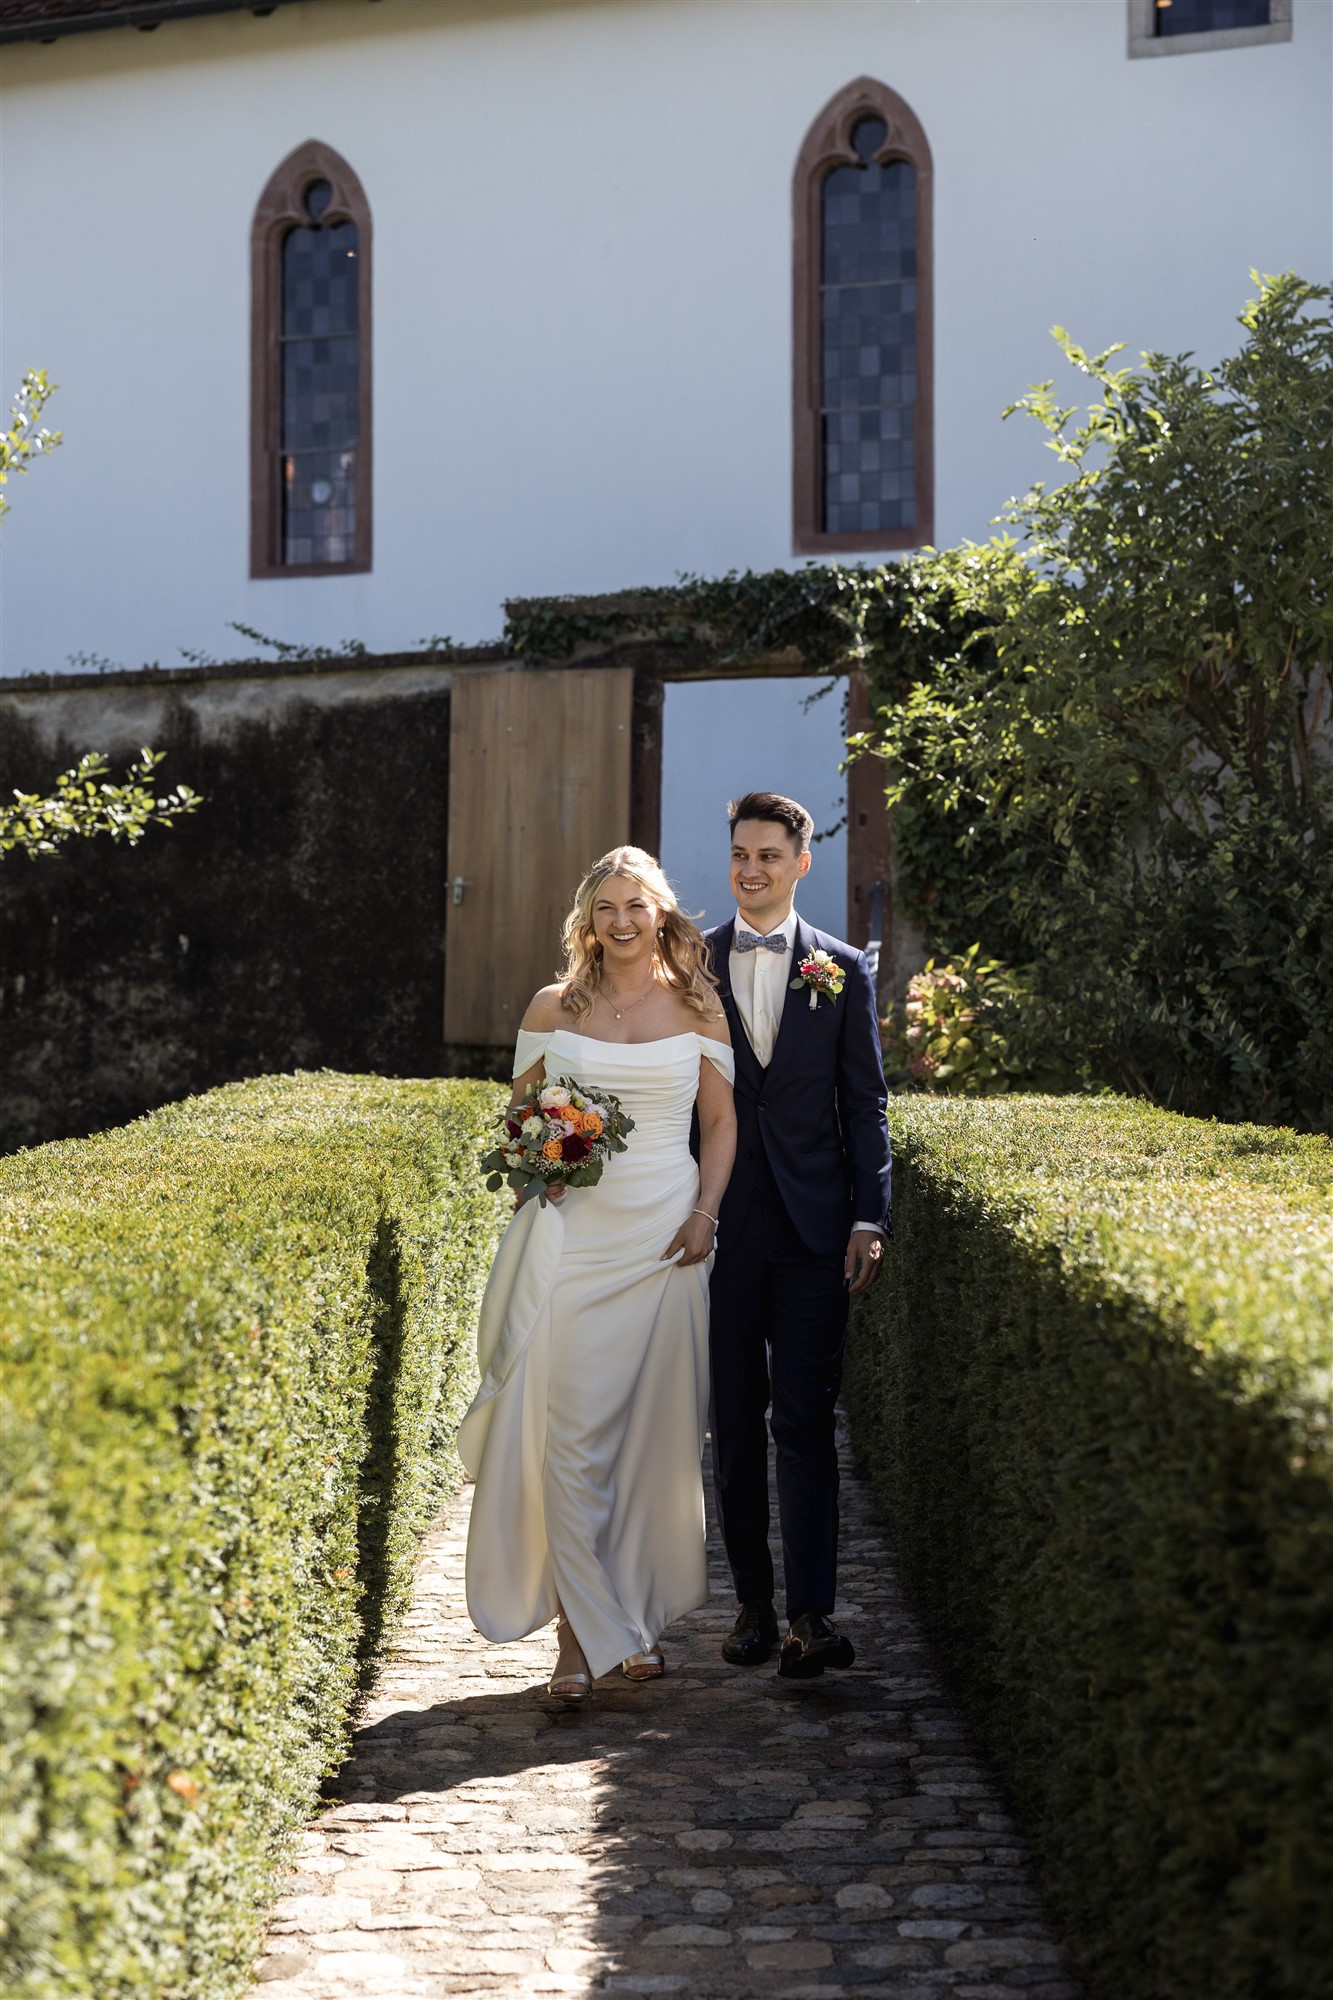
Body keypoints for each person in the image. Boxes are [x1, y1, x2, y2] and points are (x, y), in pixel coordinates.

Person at [458, 846, 736, 1702]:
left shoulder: (697, 1006)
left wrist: (704, 1217)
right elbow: (520, 1117)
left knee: (648, 1440)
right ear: (588, 917)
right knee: (571, 1439)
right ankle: (577, 1646)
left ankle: (634, 1621)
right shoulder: (553, 1005)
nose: (622, 920)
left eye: (637, 905)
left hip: (663, 1240)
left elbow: (721, 1127)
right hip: (572, 1239)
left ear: (661, 913)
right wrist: (539, 1158)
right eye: (606, 906)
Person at [704, 791, 891, 1679]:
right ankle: (749, 1603)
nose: (750, 869)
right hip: (724, 1228)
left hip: (818, 1231)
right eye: (740, 853)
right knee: (735, 1423)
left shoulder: (844, 969)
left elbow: (865, 1102)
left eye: (768, 855)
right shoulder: (689, 967)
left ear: (800, 862)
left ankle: (810, 1617)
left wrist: (868, 1215)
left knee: (806, 1421)